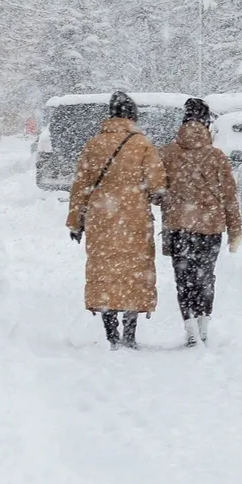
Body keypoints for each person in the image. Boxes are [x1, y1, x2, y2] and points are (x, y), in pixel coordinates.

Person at [66, 91, 166, 351]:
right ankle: (130, 332)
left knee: (105, 272)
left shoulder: (94, 144)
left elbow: (81, 187)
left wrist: (76, 222)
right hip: (135, 220)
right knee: (134, 272)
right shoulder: (143, 144)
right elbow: (157, 186)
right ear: (132, 115)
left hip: (101, 219)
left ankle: (111, 332)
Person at [158, 97, 242, 347]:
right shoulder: (217, 156)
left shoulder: (167, 154)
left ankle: (191, 328)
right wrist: (235, 229)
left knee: (183, 280)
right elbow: (229, 196)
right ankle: (204, 326)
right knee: (205, 277)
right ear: (207, 123)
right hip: (210, 227)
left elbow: (156, 192)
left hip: (178, 227)